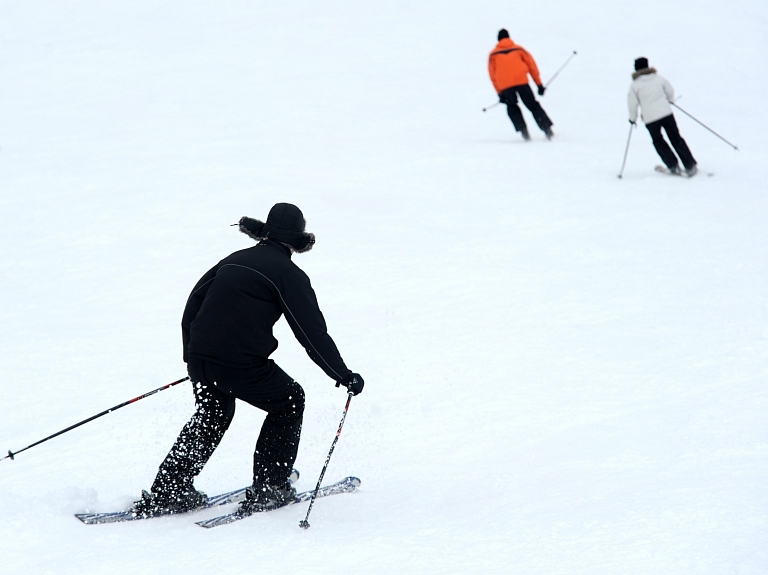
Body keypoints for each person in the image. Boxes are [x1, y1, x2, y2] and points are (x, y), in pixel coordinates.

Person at [131, 202, 364, 517]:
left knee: (213, 414)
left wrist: (195, 356)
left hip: (202, 357)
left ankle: (169, 489)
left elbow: (192, 304)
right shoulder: (288, 274)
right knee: (289, 401)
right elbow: (311, 334)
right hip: (239, 362)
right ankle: (270, 487)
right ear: (296, 240)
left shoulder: (233, 260)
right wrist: (342, 374)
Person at [628, 57, 698, 176]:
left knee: (658, 141)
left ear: (636, 68)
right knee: (676, 138)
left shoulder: (635, 85)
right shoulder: (658, 78)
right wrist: (669, 101)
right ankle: (690, 164)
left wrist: (632, 119)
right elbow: (670, 91)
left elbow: (632, 103)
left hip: (650, 119)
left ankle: (673, 165)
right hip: (666, 114)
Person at [488, 29, 554, 141]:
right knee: (533, 105)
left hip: (505, 86)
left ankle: (524, 133)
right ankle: (547, 130)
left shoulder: (493, 54)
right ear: (509, 37)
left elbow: (493, 76)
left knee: (512, 107)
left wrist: (499, 93)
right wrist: (539, 85)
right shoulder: (519, 49)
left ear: (498, 40)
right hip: (522, 82)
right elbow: (532, 66)